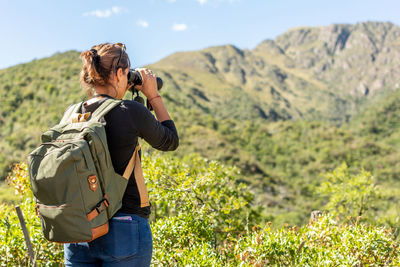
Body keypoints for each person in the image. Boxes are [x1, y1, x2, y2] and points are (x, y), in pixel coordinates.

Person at [64, 43, 179, 266]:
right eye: (126, 74)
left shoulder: (72, 113)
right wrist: (153, 95)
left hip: (79, 226)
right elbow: (170, 141)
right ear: (118, 74)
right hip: (124, 224)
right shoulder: (129, 110)